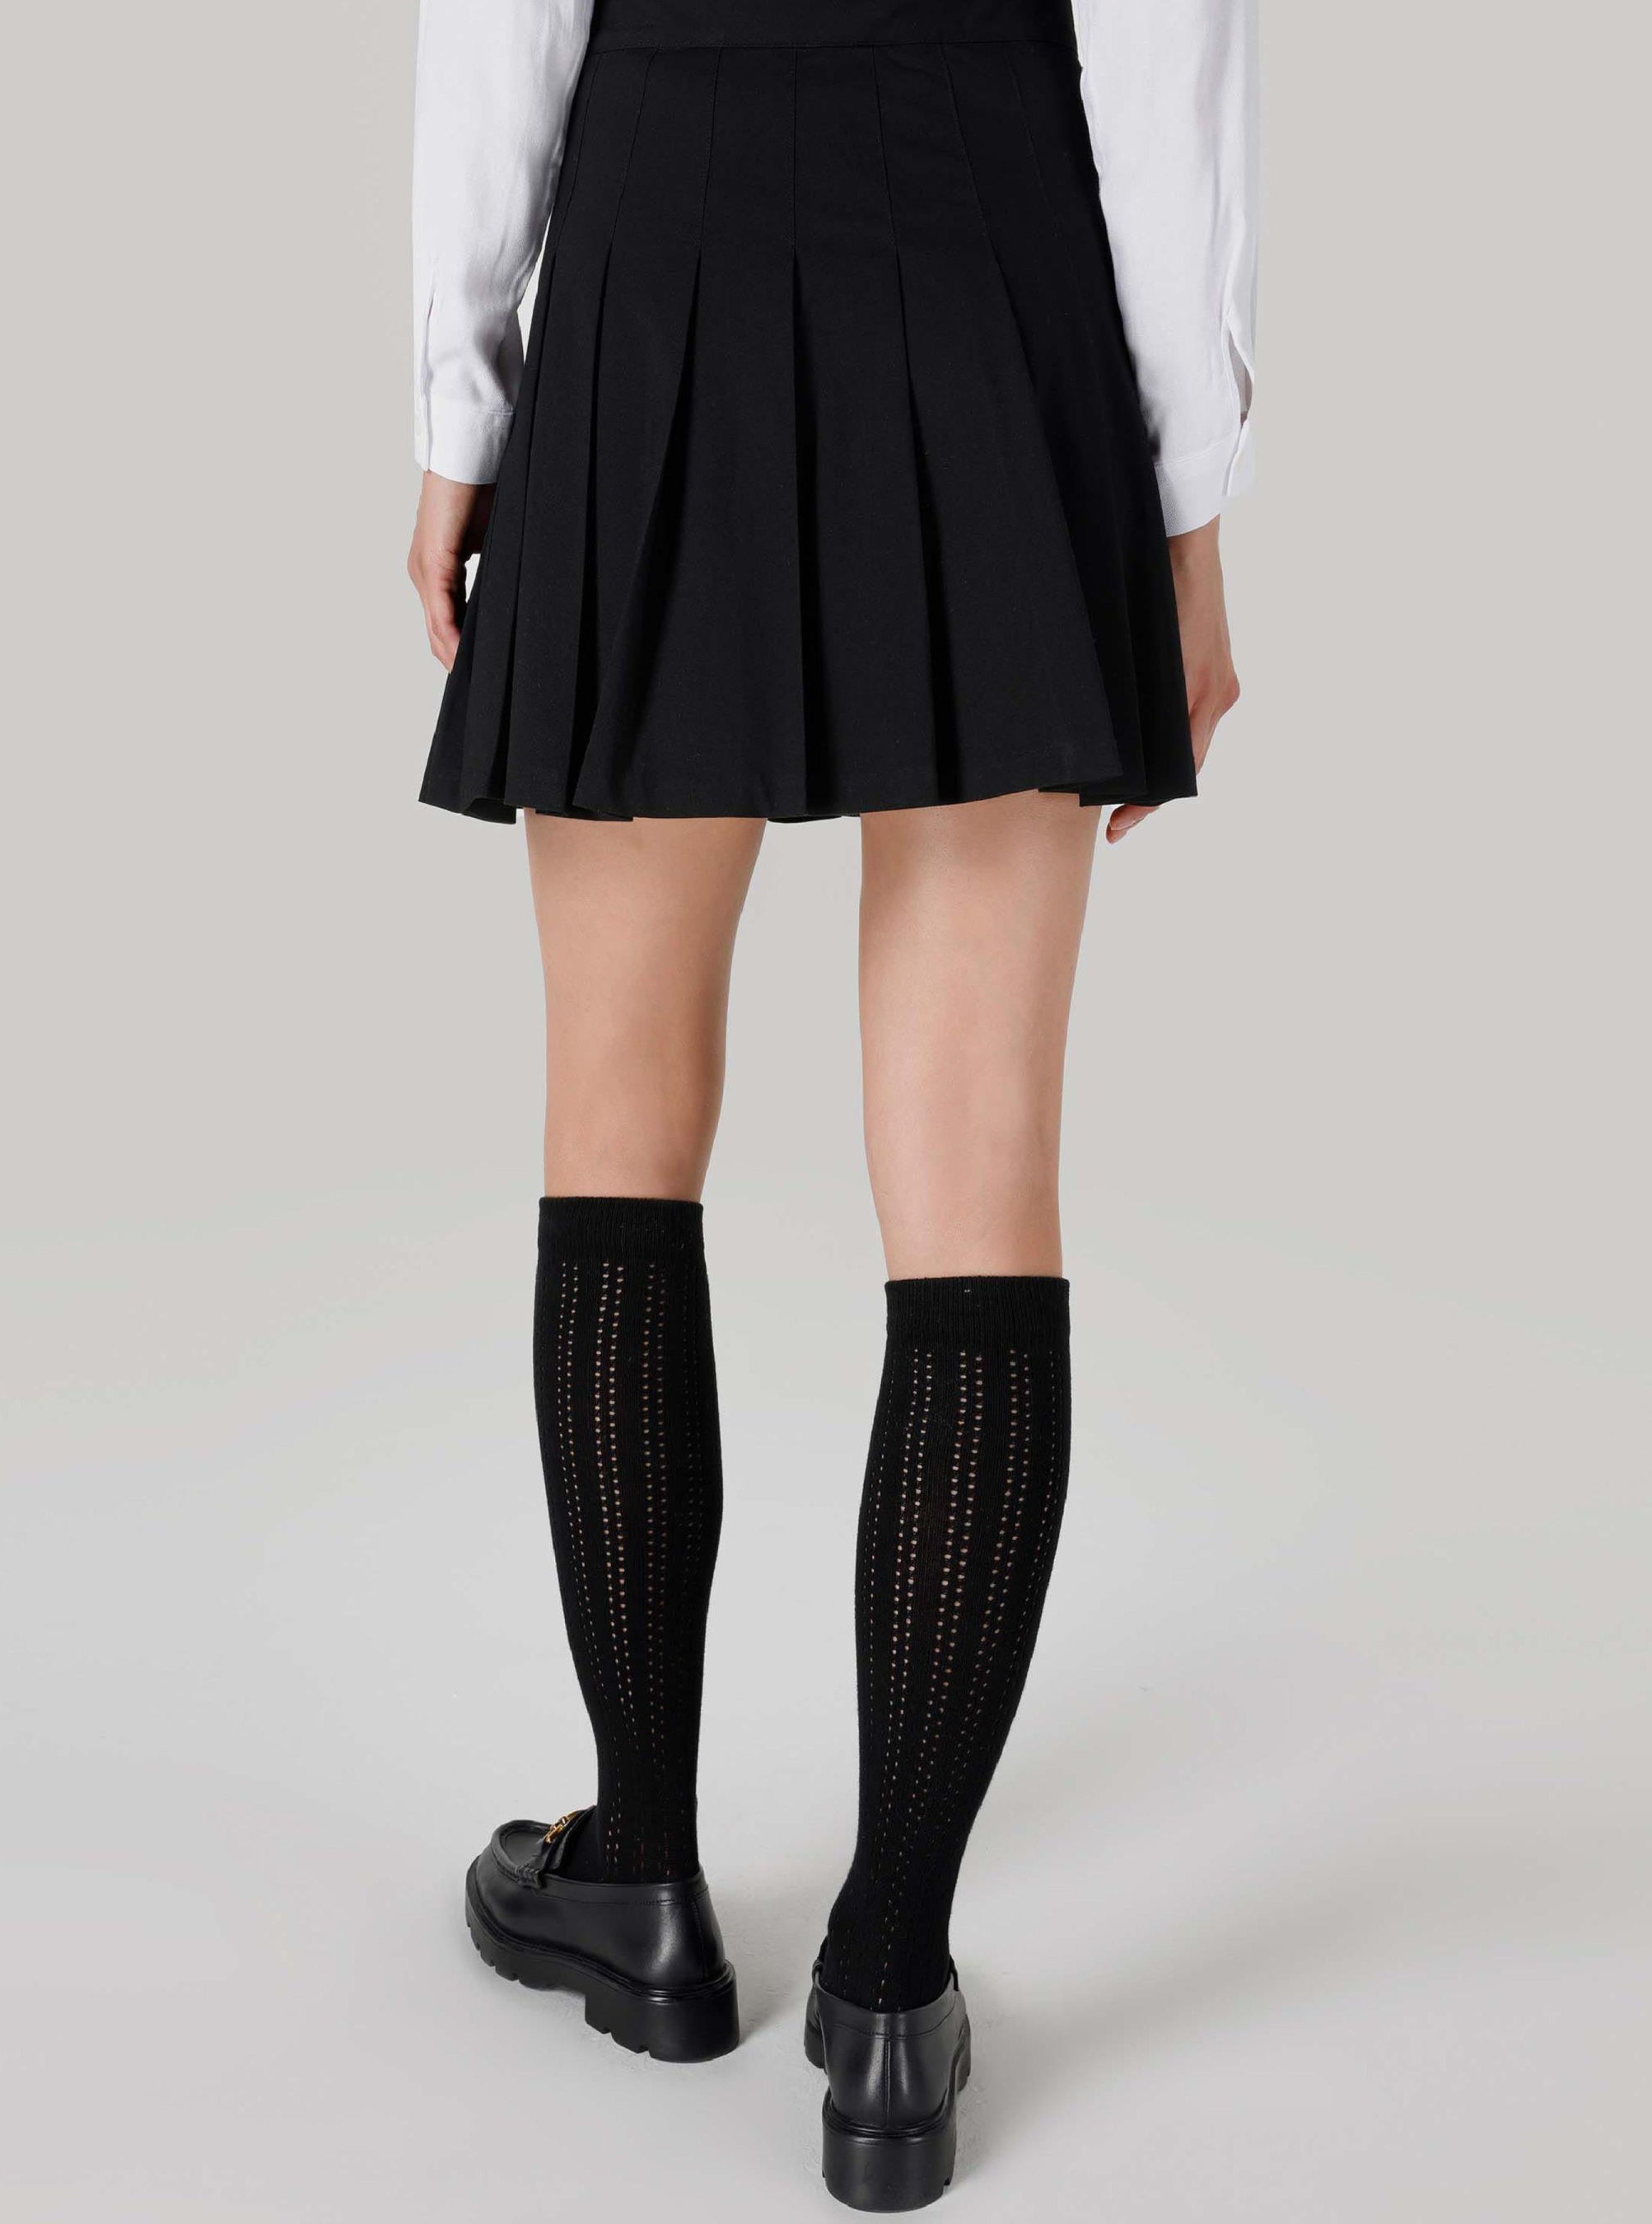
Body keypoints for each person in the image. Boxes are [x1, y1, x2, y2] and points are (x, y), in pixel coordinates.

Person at [407, 0, 1253, 2204]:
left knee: (617, 1119)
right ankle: (887, 1987)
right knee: (978, 1176)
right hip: (997, 256)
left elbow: (499, 20)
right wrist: (1189, 499)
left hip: (659, 238)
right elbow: (1162, 45)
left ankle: (639, 1882)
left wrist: (460, 404)